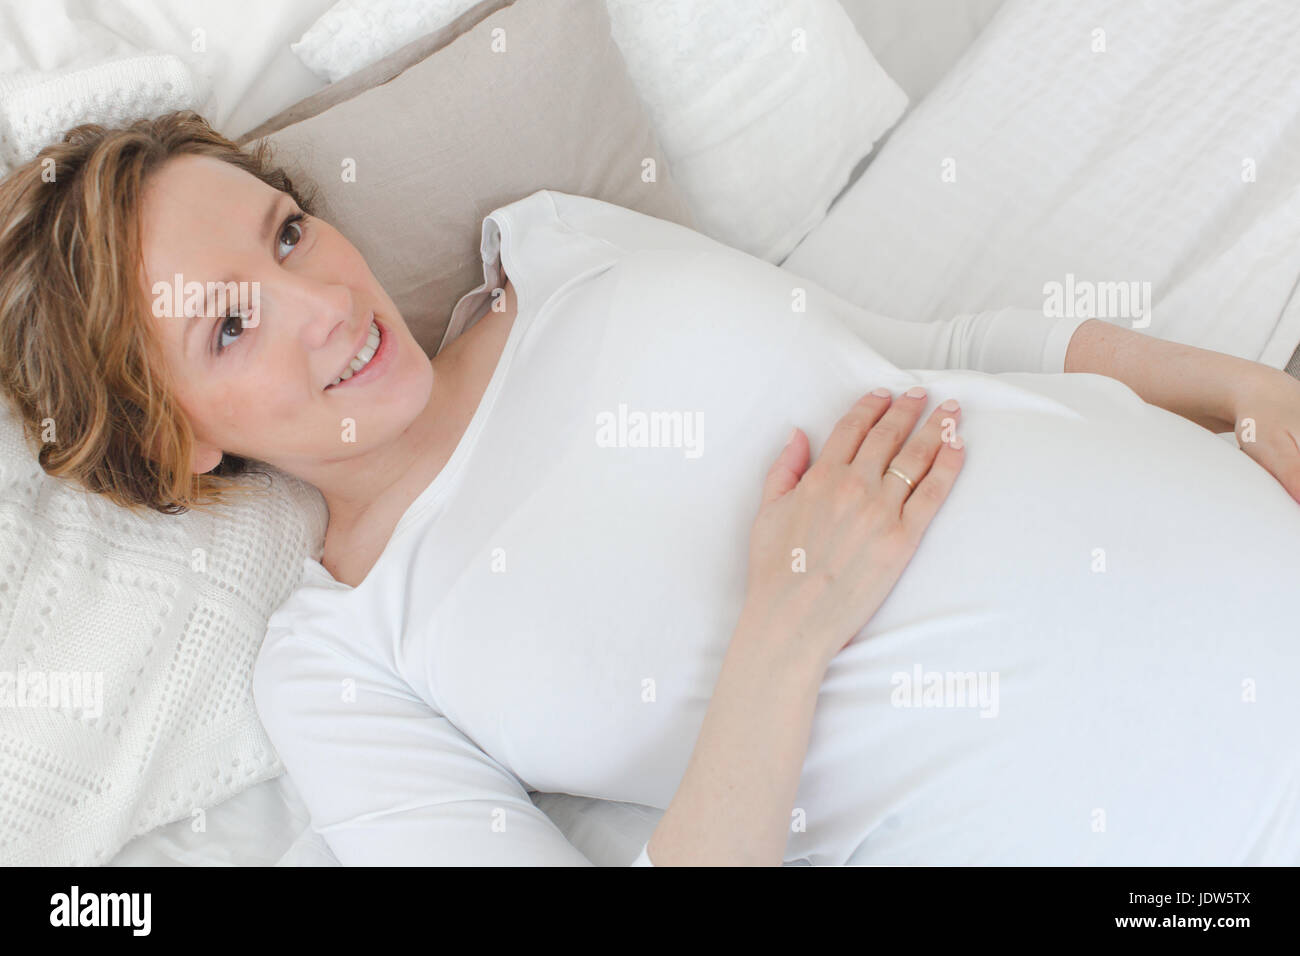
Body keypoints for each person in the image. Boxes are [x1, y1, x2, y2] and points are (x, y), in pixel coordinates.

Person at [2, 112, 1299, 866]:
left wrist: (1251, 400)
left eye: (286, 232)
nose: (322, 300)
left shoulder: (558, 244)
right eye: (227, 329)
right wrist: (785, 632)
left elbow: (927, 352)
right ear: (174, 446)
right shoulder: (340, 664)